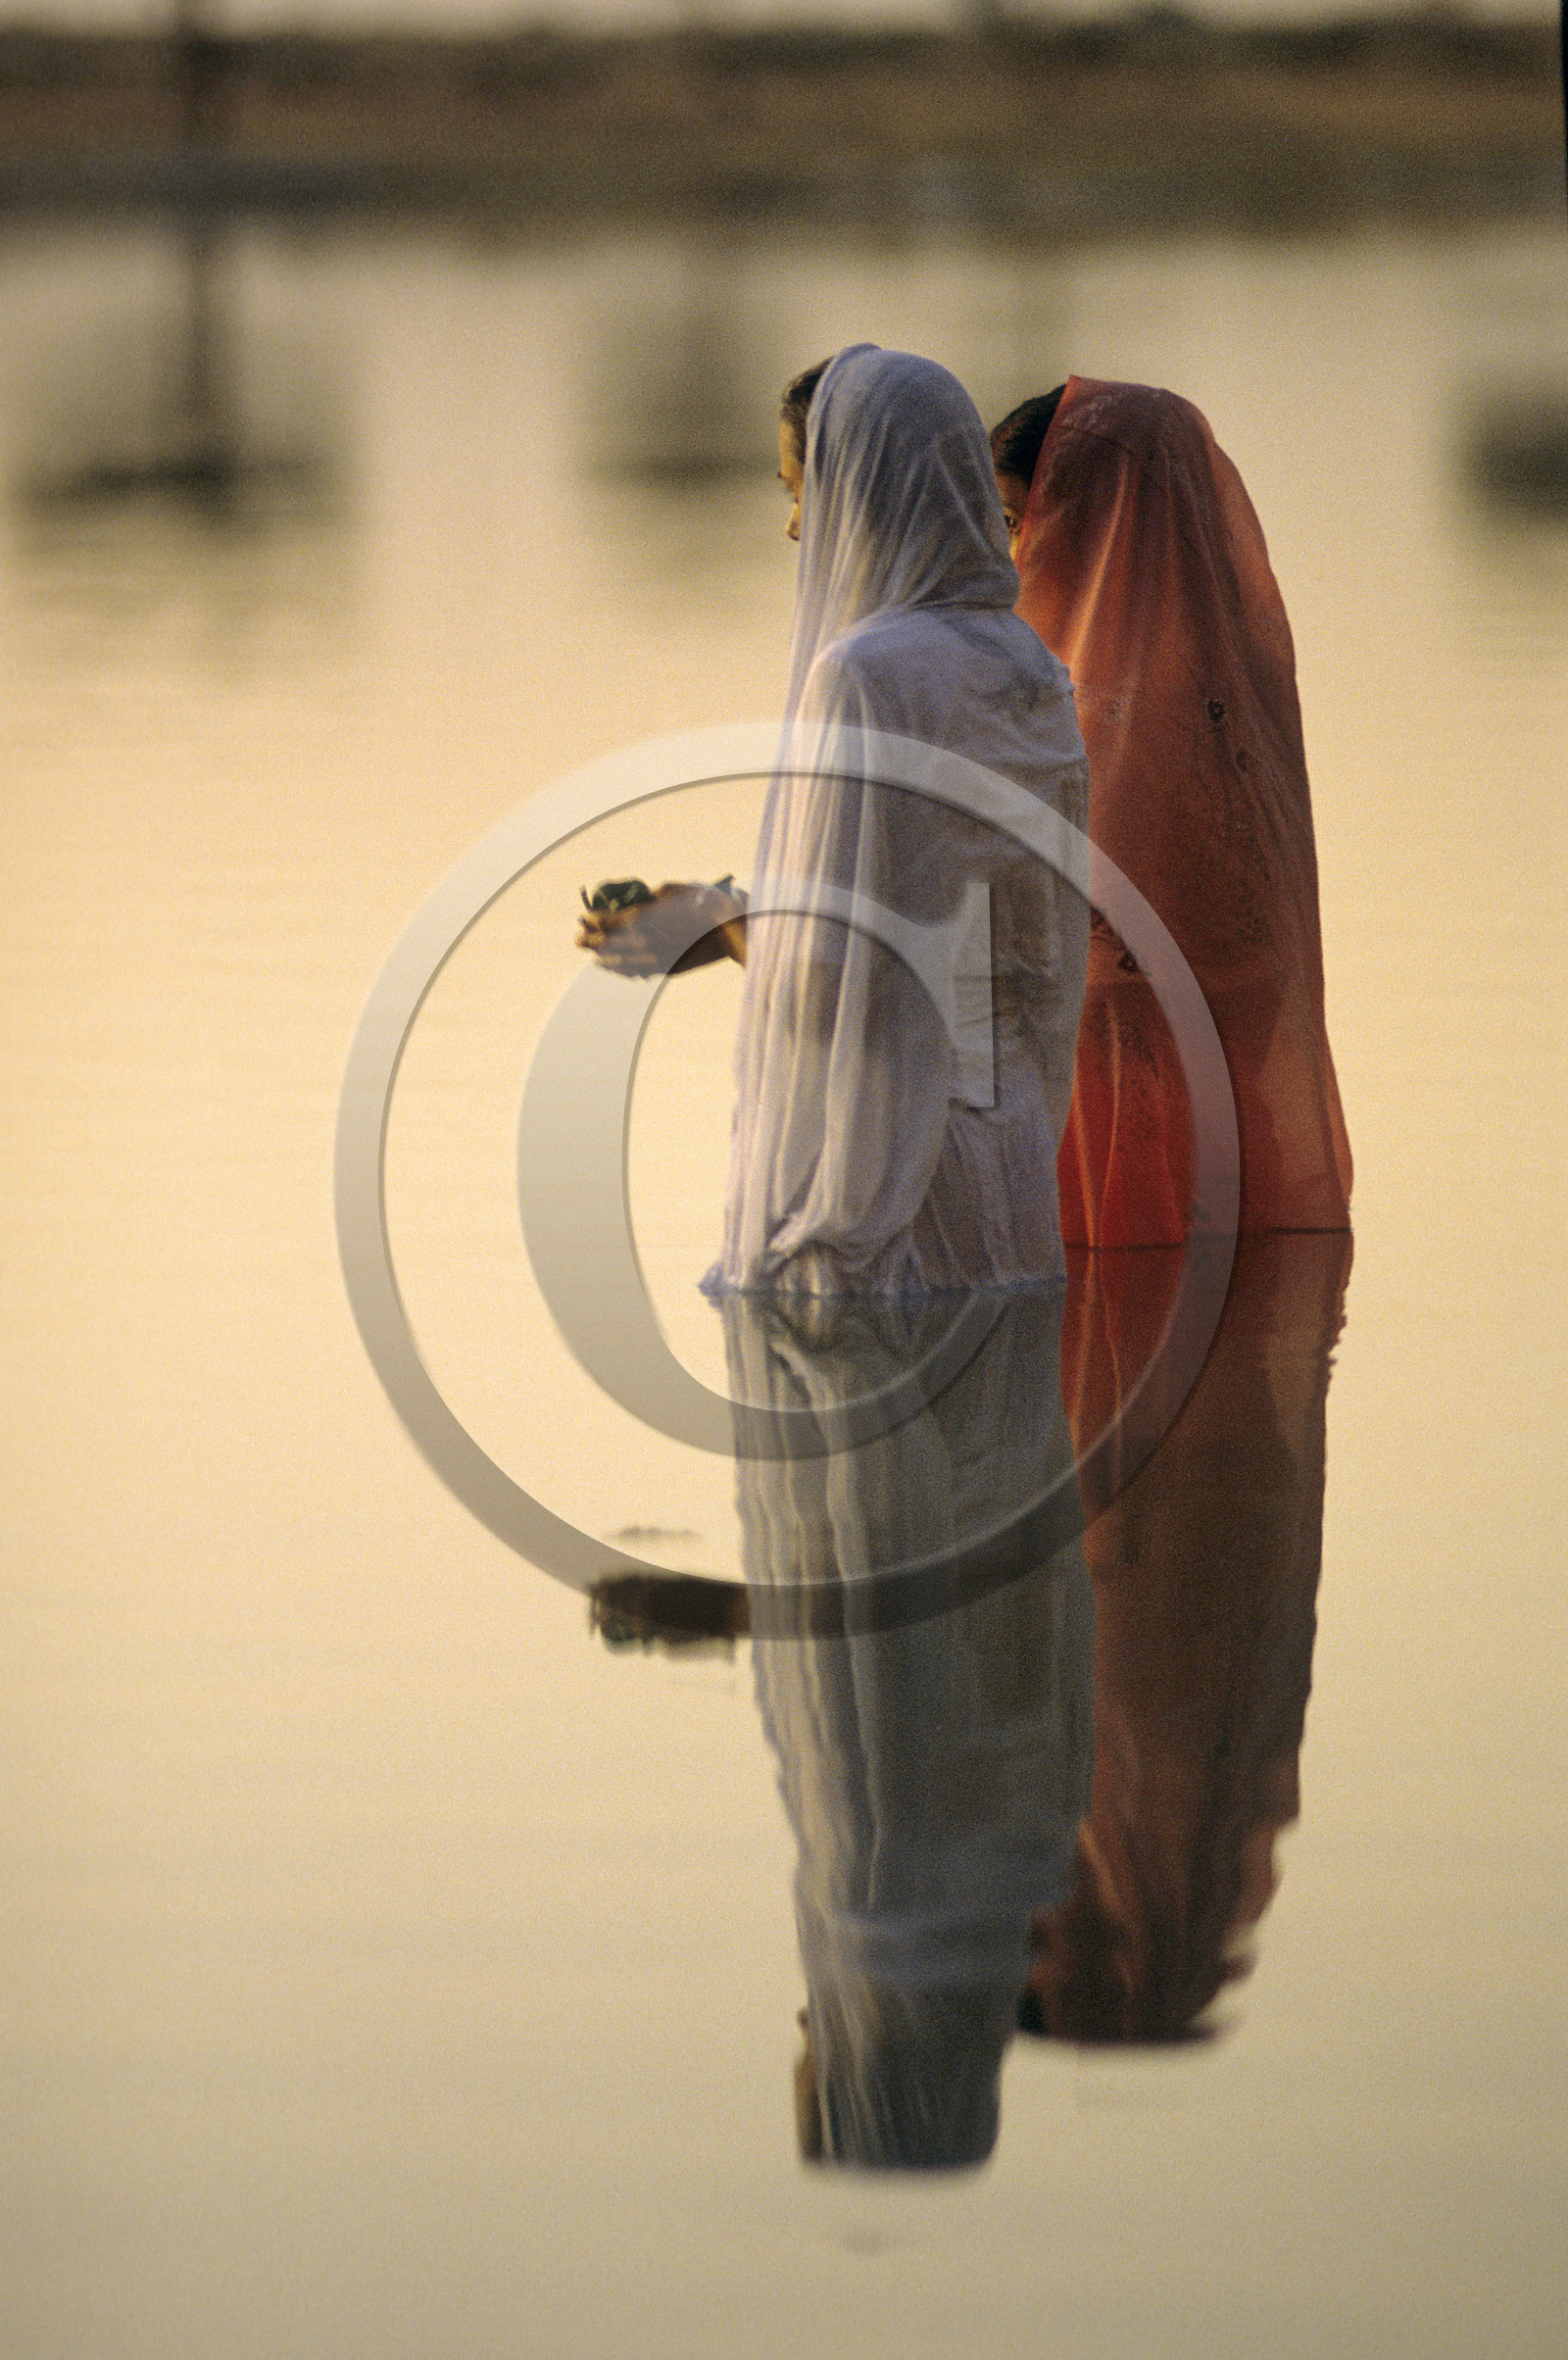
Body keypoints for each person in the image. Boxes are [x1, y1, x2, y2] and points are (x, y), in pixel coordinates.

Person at [584, 346, 1091, 1298]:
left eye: (799, 490)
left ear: (864, 491)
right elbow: (1010, 954)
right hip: (1013, 1187)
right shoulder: (1030, 668)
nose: (790, 527)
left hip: (884, 1204)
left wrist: (709, 922)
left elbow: (843, 980)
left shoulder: (866, 674)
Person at [992, 379, 1353, 1246]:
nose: (1007, 556)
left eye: (1015, 522)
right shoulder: (1229, 696)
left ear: (1101, 522)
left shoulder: (1113, 718)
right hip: (1216, 1120)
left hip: (1131, 1113)